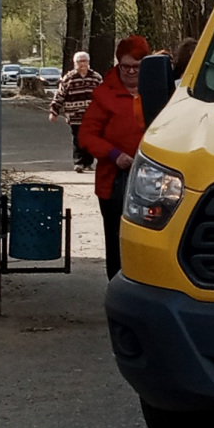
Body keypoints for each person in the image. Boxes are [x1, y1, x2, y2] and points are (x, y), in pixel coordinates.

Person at [79, 35, 150, 279]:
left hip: (153, 178)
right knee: (117, 239)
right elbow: (87, 135)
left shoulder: (159, 92)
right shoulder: (104, 95)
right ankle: (119, 287)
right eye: (125, 66)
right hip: (114, 181)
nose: (130, 71)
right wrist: (114, 155)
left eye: (136, 67)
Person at [48, 51, 103, 171]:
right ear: (75, 63)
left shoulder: (96, 78)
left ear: (88, 62)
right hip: (75, 115)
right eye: (79, 61)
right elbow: (60, 95)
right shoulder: (69, 78)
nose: (82, 64)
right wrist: (54, 111)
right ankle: (79, 163)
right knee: (78, 138)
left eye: (84, 61)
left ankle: (88, 163)